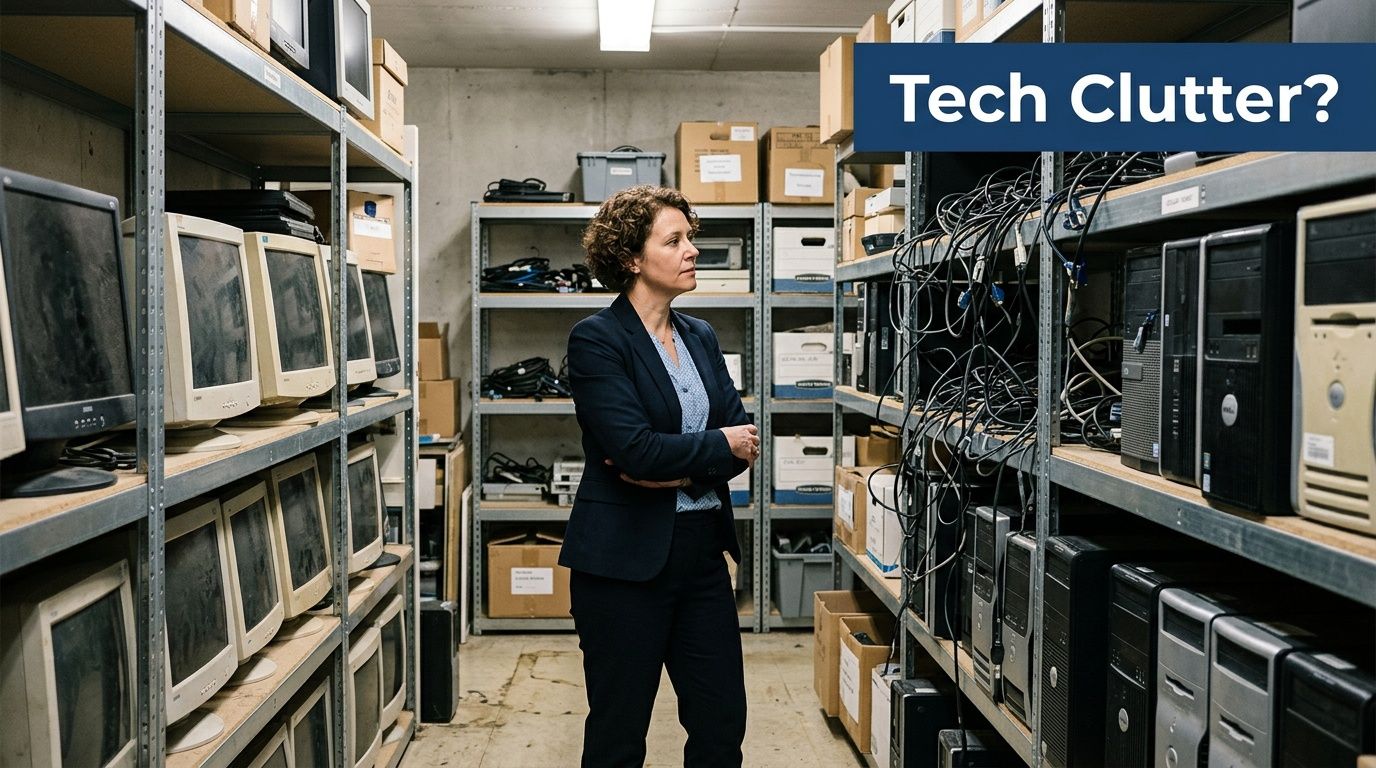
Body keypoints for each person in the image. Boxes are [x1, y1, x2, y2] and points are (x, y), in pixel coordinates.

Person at [560, 185, 759, 767]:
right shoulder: (598, 339)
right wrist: (706, 451)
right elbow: (637, 451)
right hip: (623, 563)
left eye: (689, 238)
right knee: (619, 734)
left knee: (721, 724)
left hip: (702, 556)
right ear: (631, 257)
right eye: (674, 241)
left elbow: (742, 443)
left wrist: (676, 469)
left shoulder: (700, 335)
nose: (692, 250)